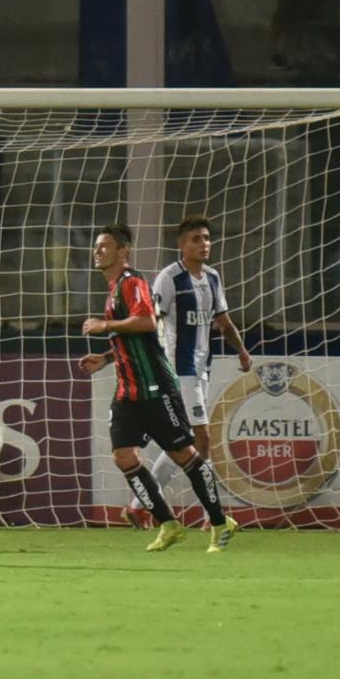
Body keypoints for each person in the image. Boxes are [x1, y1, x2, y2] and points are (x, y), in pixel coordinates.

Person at [77, 223, 239, 553]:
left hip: (155, 386)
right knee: (124, 457)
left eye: (104, 246)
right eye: (96, 247)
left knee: (185, 453)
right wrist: (107, 358)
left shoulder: (132, 282)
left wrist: (104, 325)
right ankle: (168, 523)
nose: (97, 252)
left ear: (124, 252)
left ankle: (221, 522)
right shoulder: (112, 292)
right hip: (128, 390)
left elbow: (147, 321)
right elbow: (138, 335)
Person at [122, 216, 252, 529]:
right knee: (200, 438)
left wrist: (242, 350)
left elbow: (223, 320)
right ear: (181, 245)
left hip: (200, 369)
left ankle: (140, 506)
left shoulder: (212, 278)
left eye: (206, 238)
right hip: (177, 369)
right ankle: (206, 515)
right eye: (196, 239)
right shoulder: (169, 278)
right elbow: (150, 321)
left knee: (188, 442)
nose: (203, 244)